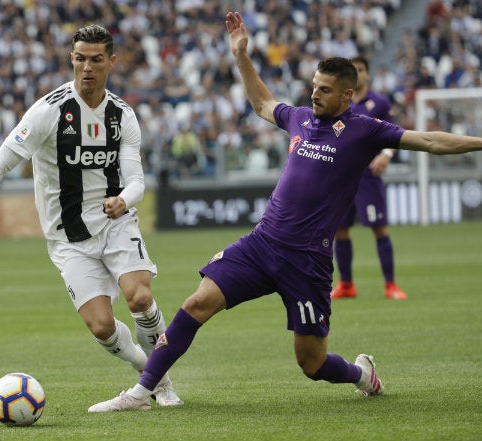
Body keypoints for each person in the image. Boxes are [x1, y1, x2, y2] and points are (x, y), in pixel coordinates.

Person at [88, 11, 482, 412]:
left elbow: (431, 140)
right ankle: (142, 392)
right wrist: (241, 55)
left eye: (325, 90)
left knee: (311, 364)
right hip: (262, 245)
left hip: (307, 262)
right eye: (314, 86)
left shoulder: (366, 130)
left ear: (347, 95)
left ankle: (362, 374)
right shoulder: (300, 117)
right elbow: (262, 102)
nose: (314, 95)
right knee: (195, 304)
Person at [0, 24, 183, 407]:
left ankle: (163, 382)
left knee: (139, 297)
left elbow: (137, 179)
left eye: (95, 60)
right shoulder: (48, 111)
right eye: (79, 59)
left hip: (114, 221)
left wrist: (123, 199)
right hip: (67, 237)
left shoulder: (122, 115)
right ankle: (147, 376)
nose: (86, 68)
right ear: (71, 59)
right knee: (102, 327)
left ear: (111, 61)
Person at [330, 55, 408, 301]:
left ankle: (390, 285)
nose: (359, 73)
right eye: (355, 70)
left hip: (368, 176)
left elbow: (395, 135)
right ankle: (346, 285)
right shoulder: (341, 102)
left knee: (379, 229)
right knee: (340, 231)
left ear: (367, 74)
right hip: (341, 178)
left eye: (362, 69)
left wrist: (386, 154)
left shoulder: (380, 102)